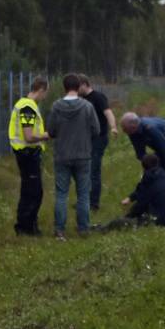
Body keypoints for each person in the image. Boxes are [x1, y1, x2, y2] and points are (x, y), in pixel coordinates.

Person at [47, 73, 101, 239]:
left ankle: (59, 230)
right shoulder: (87, 107)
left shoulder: (56, 106)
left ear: (64, 87)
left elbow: (51, 131)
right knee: (83, 193)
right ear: (79, 87)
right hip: (83, 155)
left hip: (62, 155)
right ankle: (83, 228)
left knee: (62, 194)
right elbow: (96, 130)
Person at [9, 77, 51, 236]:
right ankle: (26, 228)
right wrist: (47, 135)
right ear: (41, 89)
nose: (45, 97)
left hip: (27, 154)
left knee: (29, 191)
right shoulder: (28, 107)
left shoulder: (24, 104)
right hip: (28, 154)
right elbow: (28, 136)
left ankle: (27, 226)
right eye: (46, 93)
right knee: (34, 192)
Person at [120, 112, 165, 202]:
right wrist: (146, 169)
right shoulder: (132, 133)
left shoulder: (150, 128)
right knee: (151, 176)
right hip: (161, 148)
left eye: (124, 129)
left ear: (133, 126)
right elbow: (140, 153)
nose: (123, 131)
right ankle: (149, 206)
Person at [77, 73, 117, 211]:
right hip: (86, 139)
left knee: (93, 170)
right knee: (85, 170)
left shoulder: (98, 97)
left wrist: (113, 127)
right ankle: (84, 201)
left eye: (78, 86)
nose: (76, 90)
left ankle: (93, 204)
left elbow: (108, 113)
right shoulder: (81, 99)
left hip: (98, 139)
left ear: (84, 84)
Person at [118, 152, 165, 228]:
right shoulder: (162, 176)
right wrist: (130, 198)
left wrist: (126, 217)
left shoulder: (149, 180)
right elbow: (142, 191)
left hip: (163, 221)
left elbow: (140, 205)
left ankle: (103, 229)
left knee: (120, 222)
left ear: (143, 167)